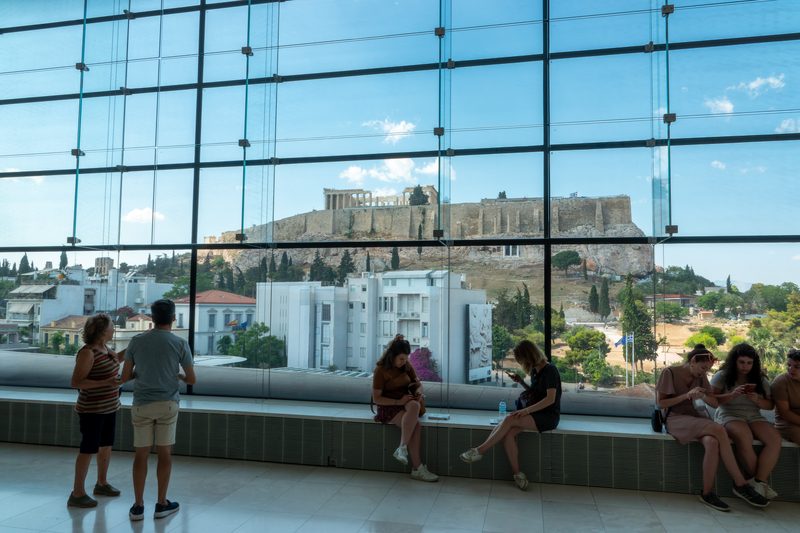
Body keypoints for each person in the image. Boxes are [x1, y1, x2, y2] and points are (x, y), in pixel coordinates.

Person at [656, 344, 769, 512]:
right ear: (693, 361)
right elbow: (661, 403)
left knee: (712, 442)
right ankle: (740, 483)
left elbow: (714, 402)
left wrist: (730, 395)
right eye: (702, 368)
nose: (704, 372)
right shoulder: (669, 372)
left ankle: (707, 493)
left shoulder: (700, 377)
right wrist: (686, 395)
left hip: (695, 417)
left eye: (707, 369)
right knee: (718, 429)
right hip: (675, 419)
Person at [121, 299, 196, 521]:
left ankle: (137, 506)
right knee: (165, 455)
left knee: (140, 454)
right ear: (173, 318)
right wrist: (179, 375)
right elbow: (191, 378)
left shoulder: (136, 341)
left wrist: (139, 374)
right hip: (167, 404)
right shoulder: (180, 343)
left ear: (151, 319)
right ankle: (161, 503)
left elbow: (124, 377)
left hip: (141, 404)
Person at [459, 340, 561, 491]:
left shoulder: (550, 370)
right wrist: (521, 381)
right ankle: (518, 474)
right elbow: (535, 394)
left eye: (521, 359)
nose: (521, 363)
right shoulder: (535, 370)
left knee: (509, 419)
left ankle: (479, 451)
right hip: (535, 413)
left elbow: (550, 399)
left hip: (548, 416)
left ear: (529, 356)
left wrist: (525, 411)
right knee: (508, 435)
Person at [710, 343, 781, 500]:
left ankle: (758, 482)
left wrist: (757, 400)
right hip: (729, 414)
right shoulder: (722, 376)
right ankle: (758, 487)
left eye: (749, 363)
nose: (745, 366)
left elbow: (770, 406)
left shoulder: (760, 379)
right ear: (734, 361)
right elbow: (712, 399)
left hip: (753, 415)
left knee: (775, 439)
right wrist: (732, 395)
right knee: (744, 437)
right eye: (742, 362)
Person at [68, 313, 124, 508]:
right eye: (111, 326)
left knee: (106, 445)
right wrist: (106, 382)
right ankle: (77, 492)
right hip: (92, 410)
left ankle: (102, 483)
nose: (114, 328)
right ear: (102, 331)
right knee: (88, 448)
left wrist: (136, 347)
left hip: (109, 407)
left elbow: (116, 361)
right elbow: (76, 382)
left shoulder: (105, 349)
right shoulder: (88, 353)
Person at [372, 334, 438, 482]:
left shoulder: (406, 366)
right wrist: (398, 402)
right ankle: (417, 468)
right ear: (392, 356)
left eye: (406, 358)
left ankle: (402, 449)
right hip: (389, 405)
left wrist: (419, 392)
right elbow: (377, 399)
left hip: (406, 401)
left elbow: (418, 384)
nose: (404, 362)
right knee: (416, 426)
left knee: (414, 404)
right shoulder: (380, 370)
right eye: (401, 359)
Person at [771, 348, 800, 445]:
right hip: (787, 424)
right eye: (789, 365)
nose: (791, 369)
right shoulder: (781, 382)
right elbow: (785, 413)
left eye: (797, 367)